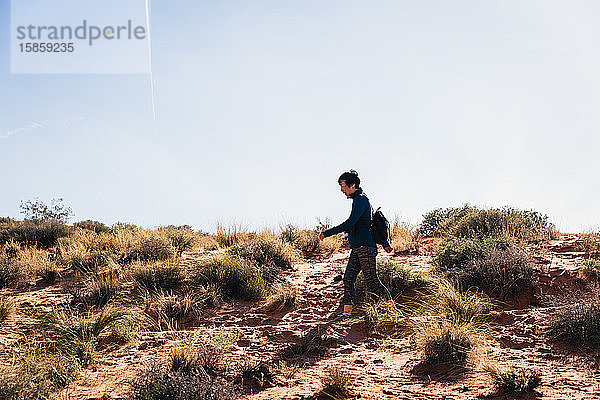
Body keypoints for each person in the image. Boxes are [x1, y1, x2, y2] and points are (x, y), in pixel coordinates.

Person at [319, 169, 393, 322]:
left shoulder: (361, 199)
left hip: (365, 247)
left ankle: (393, 311)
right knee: (348, 278)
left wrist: (327, 233)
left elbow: (351, 222)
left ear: (353, 185)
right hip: (358, 248)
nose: (342, 190)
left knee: (373, 281)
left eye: (343, 186)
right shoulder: (358, 200)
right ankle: (346, 314)